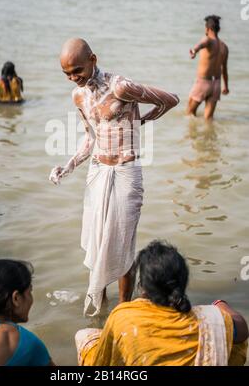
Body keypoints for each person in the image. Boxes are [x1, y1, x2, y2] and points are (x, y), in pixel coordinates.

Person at [49, 38, 179, 316]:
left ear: (93, 59)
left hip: (125, 172)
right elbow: (91, 138)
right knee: (98, 243)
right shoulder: (79, 96)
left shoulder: (121, 86)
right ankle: (100, 306)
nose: (73, 78)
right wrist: (68, 166)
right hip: (97, 171)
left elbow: (171, 100)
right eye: (67, 74)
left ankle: (123, 312)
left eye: (77, 70)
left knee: (122, 246)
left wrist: (145, 119)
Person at [75, 240, 248, 366]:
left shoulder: (123, 317)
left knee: (84, 336)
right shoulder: (210, 319)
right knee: (228, 342)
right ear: (183, 282)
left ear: (142, 287)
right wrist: (219, 305)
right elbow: (242, 331)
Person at [187, 15, 229, 121]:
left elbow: (200, 45)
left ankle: (191, 137)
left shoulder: (208, 40)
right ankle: (209, 137)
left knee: (189, 113)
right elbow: (224, 69)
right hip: (216, 84)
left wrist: (193, 51)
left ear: (207, 28)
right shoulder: (224, 46)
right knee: (208, 119)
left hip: (203, 83)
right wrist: (226, 86)